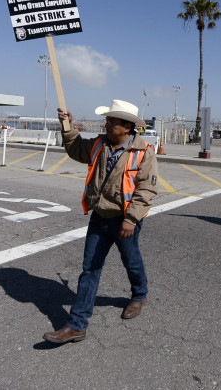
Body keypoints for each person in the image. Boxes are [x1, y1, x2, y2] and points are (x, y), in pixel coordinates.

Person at [43, 100, 158, 344]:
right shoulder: (98, 144)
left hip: (125, 220)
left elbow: (146, 189)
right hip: (99, 216)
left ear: (128, 127)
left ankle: (139, 294)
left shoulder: (144, 151)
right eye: (107, 120)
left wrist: (131, 219)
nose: (107, 125)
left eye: (113, 122)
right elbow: (75, 149)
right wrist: (67, 126)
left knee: (131, 261)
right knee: (90, 270)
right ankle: (77, 325)